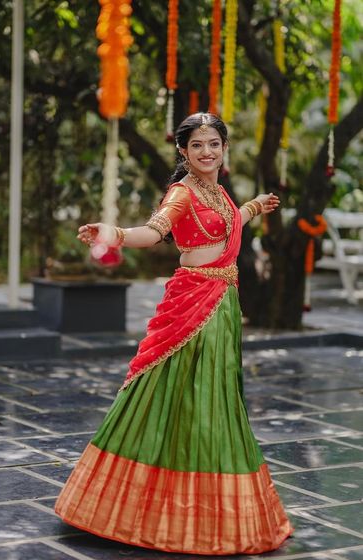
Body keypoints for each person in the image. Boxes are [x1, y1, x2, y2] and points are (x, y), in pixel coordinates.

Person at [55, 112, 294, 555]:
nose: (207, 152)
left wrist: (255, 207)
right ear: (183, 151)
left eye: (214, 144)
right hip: (192, 304)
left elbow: (228, 223)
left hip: (222, 303)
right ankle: (128, 504)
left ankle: (208, 511)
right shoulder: (182, 192)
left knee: (215, 395)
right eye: (197, 145)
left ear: (225, 149)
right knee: (172, 392)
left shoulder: (218, 191)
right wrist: (116, 234)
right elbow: (156, 230)